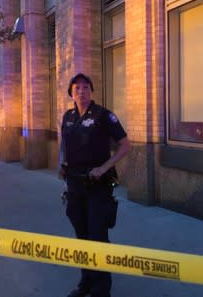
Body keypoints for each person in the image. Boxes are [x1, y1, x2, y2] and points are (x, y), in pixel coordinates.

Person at [59, 72, 130, 297]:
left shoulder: (103, 115)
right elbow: (64, 143)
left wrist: (104, 167)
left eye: (86, 87)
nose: (81, 91)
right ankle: (86, 282)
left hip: (97, 184)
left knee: (97, 236)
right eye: (77, 88)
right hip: (74, 185)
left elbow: (125, 145)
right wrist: (62, 163)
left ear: (91, 91)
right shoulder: (68, 116)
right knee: (81, 236)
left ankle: (101, 290)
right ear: (71, 92)